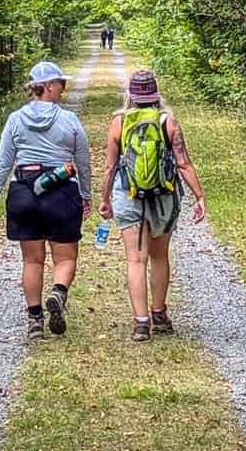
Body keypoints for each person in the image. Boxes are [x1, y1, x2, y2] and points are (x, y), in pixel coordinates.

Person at [0, 60, 93, 338]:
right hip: (61, 190)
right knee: (65, 257)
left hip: (24, 191)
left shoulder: (15, 119)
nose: (63, 88)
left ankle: (34, 320)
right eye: (60, 83)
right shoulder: (69, 120)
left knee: (32, 260)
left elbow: (4, 162)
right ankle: (58, 293)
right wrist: (85, 194)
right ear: (47, 87)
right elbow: (82, 161)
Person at [98, 69, 206, 341]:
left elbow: (110, 167)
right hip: (164, 196)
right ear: (155, 94)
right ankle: (159, 314)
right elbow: (183, 162)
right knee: (159, 256)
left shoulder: (119, 122)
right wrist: (199, 196)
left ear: (131, 95)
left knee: (135, 259)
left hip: (129, 194)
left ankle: (141, 323)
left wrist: (104, 199)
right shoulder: (168, 121)